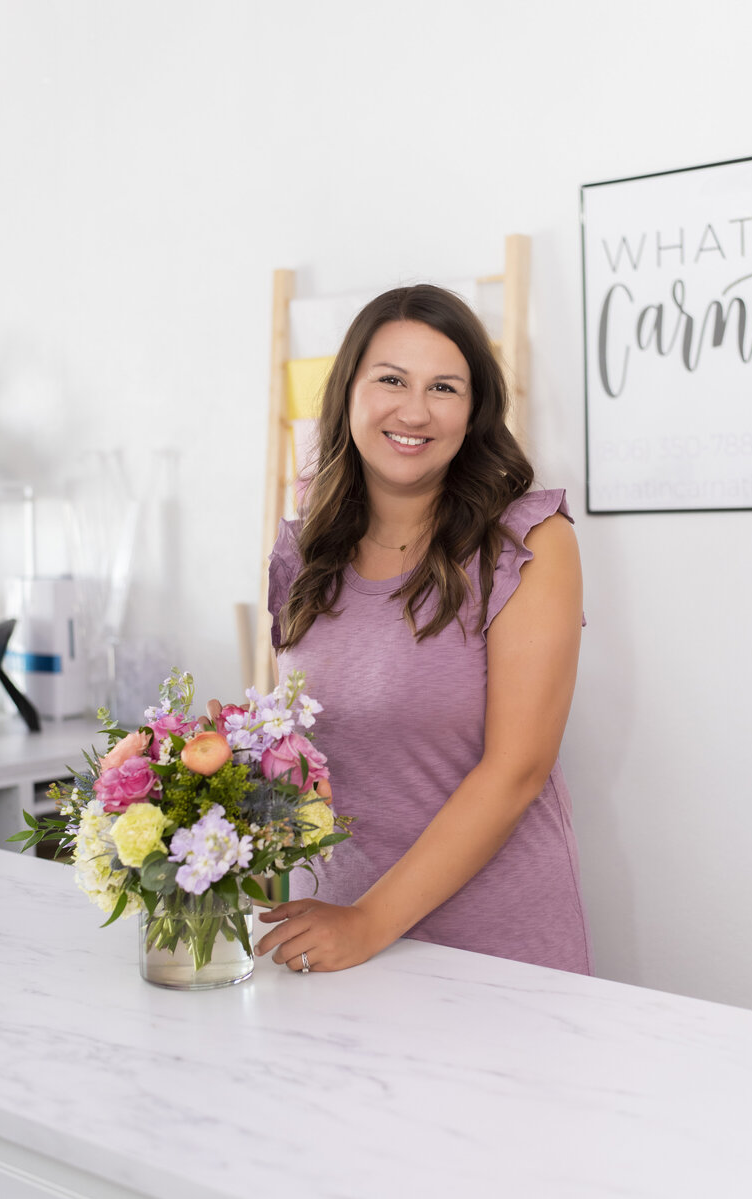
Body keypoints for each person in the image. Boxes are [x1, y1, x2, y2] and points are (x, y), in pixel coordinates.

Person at [256, 283, 592, 976]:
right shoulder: (305, 550)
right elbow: (300, 749)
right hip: (331, 938)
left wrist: (368, 923)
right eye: (390, 380)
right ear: (348, 390)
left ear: (474, 412)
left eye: (444, 386)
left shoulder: (528, 541)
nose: (414, 409)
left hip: (494, 950)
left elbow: (518, 770)